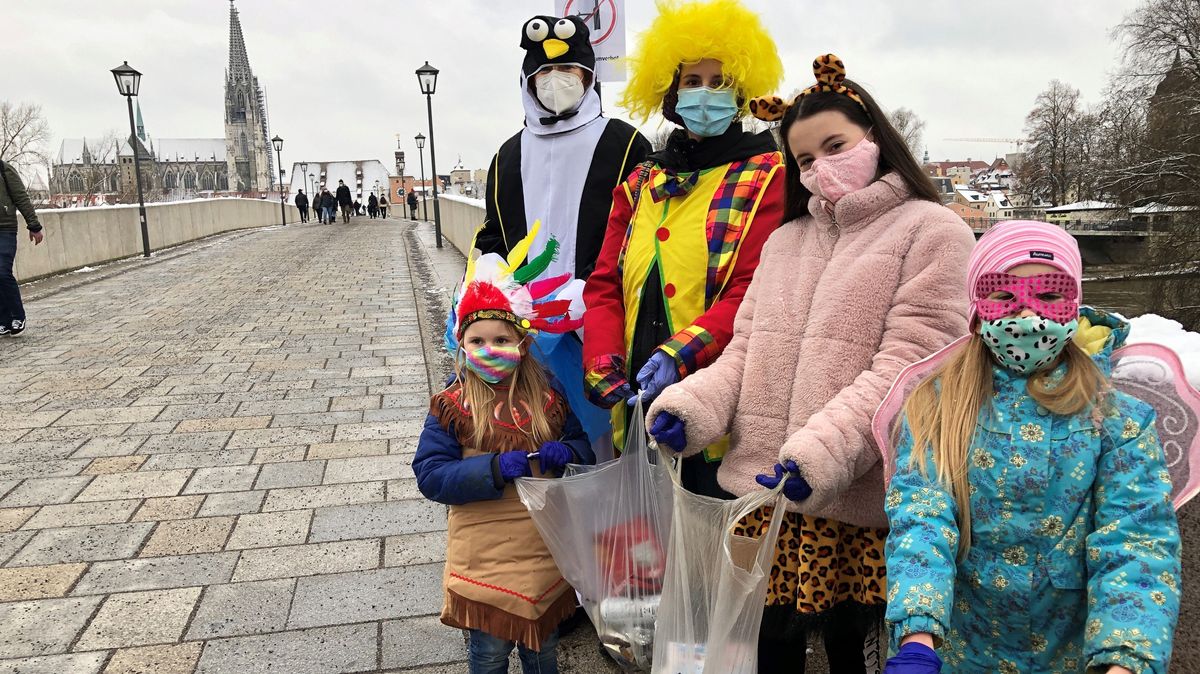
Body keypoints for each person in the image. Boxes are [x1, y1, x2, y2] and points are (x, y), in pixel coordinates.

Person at [646, 54, 975, 672]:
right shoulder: (785, 240)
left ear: (874, 137)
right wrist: (692, 407)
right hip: (766, 498)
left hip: (857, 505)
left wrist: (823, 454)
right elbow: (746, 353)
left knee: (854, 655)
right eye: (804, 159)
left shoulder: (932, 231)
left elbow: (910, 369)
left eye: (835, 146)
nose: (820, 167)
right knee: (768, 652)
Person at [879, 220, 1181, 674]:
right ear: (977, 310)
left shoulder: (1118, 420)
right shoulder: (936, 407)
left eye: (1050, 295)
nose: (1026, 316)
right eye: (1003, 295)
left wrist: (1126, 657)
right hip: (957, 652)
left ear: (1074, 305)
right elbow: (922, 518)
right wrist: (917, 633)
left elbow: (1136, 542)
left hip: (1070, 657)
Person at [583, 0, 785, 487]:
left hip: (716, 396)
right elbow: (606, 282)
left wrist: (682, 352)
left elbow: (755, 290)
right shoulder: (641, 180)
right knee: (643, 525)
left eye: (719, 82)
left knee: (708, 519)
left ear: (741, 93)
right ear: (672, 94)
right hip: (636, 393)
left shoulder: (768, 176)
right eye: (692, 81)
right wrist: (602, 357)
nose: (705, 93)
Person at [413, 234, 594, 674]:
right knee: (490, 652)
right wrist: (492, 469)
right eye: (477, 340)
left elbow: (583, 451)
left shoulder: (548, 397)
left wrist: (566, 452)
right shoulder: (453, 404)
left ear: (523, 344)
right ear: (461, 344)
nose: (489, 349)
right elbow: (431, 474)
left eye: (500, 338)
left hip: (543, 547)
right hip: (483, 554)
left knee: (543, 650)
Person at [474, 13, 652, 451]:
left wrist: (592, 288)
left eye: (568, 69)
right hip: (525, 330)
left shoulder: (625, 143)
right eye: (545, 71)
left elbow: (644, 231)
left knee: (603, 443)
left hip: (599, 323)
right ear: (529, 80)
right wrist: (492, 269)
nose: (557, 80)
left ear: (588, 75)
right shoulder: (508, 154)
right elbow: (493, 230)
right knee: (531, 438)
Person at [0, 159, 44, 337]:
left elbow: (21, 197)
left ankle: (17, 316)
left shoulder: (4, 169)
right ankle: (3, 320)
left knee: (2, 272)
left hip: (5, 228)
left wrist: (34, 225)